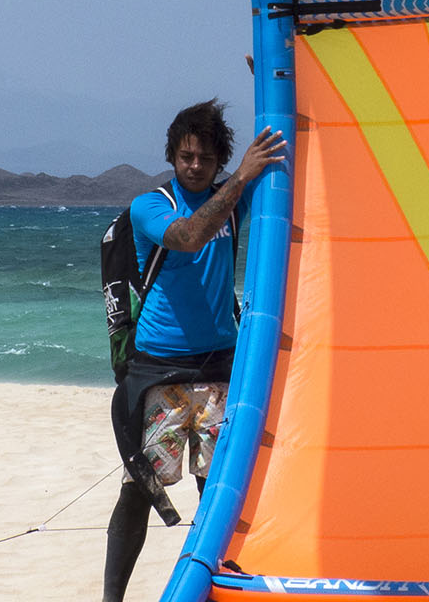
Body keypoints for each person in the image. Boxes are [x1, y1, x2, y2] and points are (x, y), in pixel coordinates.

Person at [103, 99, 285, 602]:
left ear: (218, 159)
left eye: (205, 158)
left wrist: (266, 75)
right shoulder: (151, 205)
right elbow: (187, 237)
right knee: (139, 489)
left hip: (220, 372)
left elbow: (280, 145)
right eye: (186, 157)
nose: (195, 166)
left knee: (218, 492)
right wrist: (238, 181)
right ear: (172, 155)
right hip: (160, 373)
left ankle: (214, 589)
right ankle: (111, 598)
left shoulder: (232, 196)